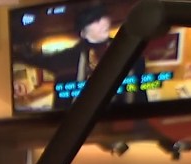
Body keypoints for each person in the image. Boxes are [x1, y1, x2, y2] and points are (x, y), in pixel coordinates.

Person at [13, 3, 147, 110]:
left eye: (104, 17)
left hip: (126, 118)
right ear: (83, 32)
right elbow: (33, 58)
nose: (104, 22)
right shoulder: (66, 58)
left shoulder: (128, 50)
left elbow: (141, 89)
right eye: (96, 20)